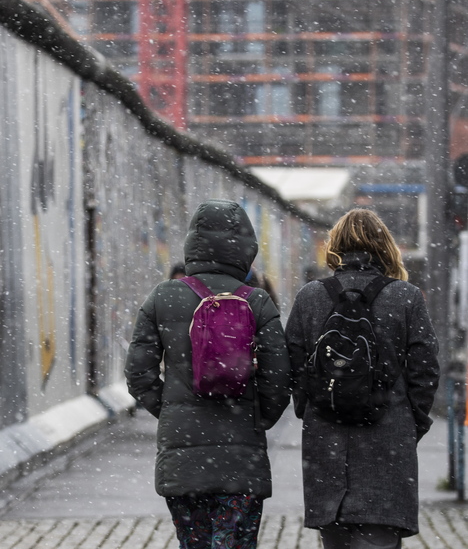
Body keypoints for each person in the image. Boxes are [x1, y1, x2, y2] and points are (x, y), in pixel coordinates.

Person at [125, 199, 292, 549]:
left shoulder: (162, 297)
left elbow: (139, 373)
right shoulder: (258, 302)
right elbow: (279, 380)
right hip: (241, 456)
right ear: (246, 247)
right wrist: (256, 417)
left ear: (192, 243)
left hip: (182, 453)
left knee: (194, 542)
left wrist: (171, 410)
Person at [285, 209, 439, 549]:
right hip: (387, 441)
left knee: (336, 540)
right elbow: (425, 371)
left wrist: (314, 410)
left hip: (327, 445)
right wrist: (409, 423)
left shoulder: (310, 296)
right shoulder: (406, 297)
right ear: (385, 247)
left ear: (335, 247)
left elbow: (293, 368)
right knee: (379, 538)